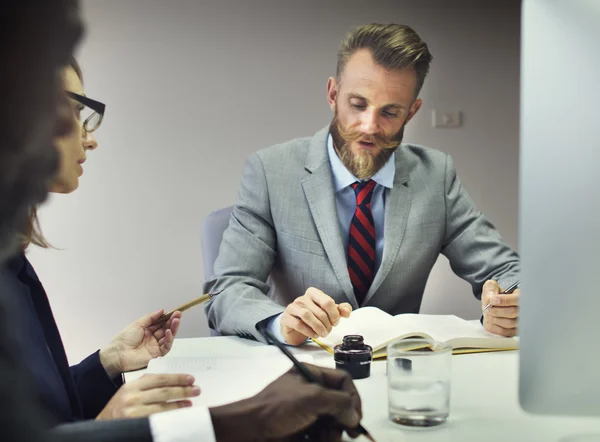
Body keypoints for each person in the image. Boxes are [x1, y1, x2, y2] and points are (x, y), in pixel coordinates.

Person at [0, 2, 364, 440]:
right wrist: (109, 425)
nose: (87, 136)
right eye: (75, 110)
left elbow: (34, 411)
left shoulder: (12, 262)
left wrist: (107, 363)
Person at [204, 23, 521, 346]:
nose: (370, 126)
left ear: (411, 112)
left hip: (398, 373)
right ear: (333, 94)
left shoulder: (436, 176)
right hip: (302, 369)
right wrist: (279, 322)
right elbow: (227, 290)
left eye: (390, 112)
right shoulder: (270, 171)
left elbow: (507, 270)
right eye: (357, 104)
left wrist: (510, 301)